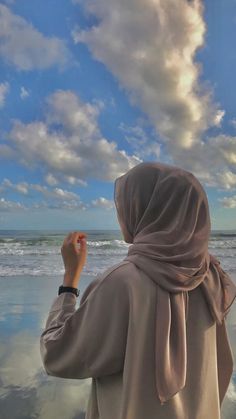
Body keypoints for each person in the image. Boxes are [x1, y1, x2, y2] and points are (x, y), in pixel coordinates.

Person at [40, 161, 236, 419]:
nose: (122, 212)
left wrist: (69, 280)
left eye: (127, 202)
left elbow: (57, 354)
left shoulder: (123, 283)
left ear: (147, 208)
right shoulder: (212, 277)